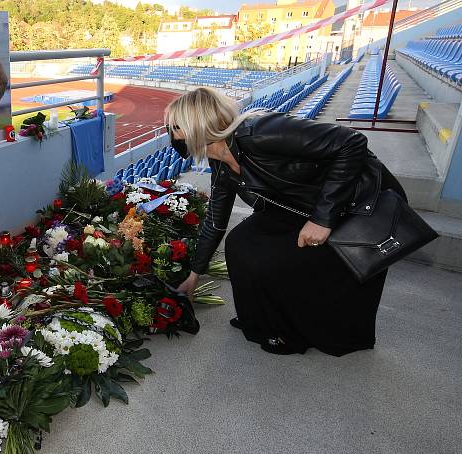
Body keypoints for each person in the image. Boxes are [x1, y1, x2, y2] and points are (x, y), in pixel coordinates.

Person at [169, 87, 406, 356]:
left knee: (278, 259)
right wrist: (193, 276)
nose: (172, 135)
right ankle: (260, 321)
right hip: (305, 203)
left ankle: (289, 332)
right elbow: (215, 219)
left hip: (357, 201)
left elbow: (352, 143)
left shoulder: (260, 131)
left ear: (196, 126)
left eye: (175, 127)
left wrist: (322, 220)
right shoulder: (221, 164)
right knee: (240, 242)